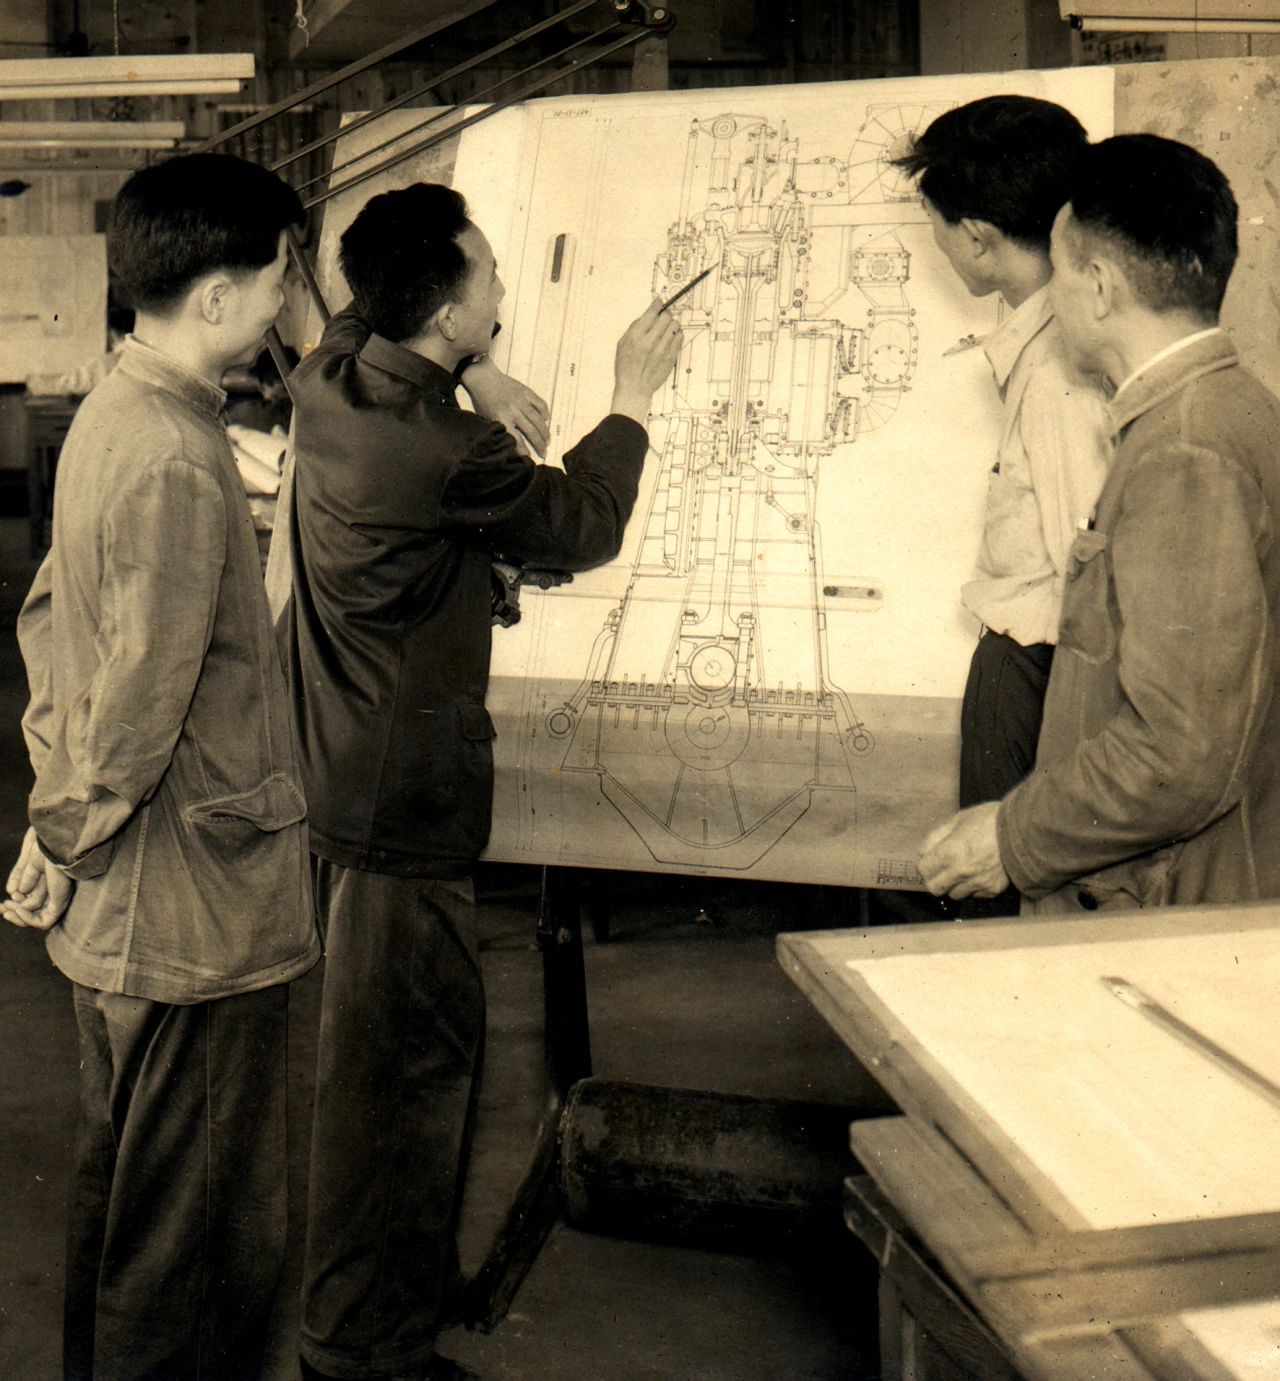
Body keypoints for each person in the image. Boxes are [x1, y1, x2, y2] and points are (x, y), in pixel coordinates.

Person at [282, 181, 681, 1381]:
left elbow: (354, 316)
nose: (503, 288)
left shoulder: (330, 378)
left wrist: (478, 374)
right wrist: (630, 396)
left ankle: (383, 1305)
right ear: (447, 313)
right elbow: (580, 522)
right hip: (403, 803)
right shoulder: (446, 451)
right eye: (489, 277)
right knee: (397, 1082)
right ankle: (362, 1351)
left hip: (338, 772)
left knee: (384, 1066)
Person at [2, 153, 319, 1380]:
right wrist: (64, 830)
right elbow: (138, 702)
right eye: (282, 278)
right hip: (191, 921)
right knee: (195, 1249)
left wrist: (55, 824)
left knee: (131, 1216)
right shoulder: (180, 457)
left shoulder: (115, 411)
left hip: (130, 902)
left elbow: (48, 625)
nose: (288, 301)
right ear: (221, 296)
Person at [918, 134, 1280, 911]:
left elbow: (1182, 753)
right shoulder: (1231, 406)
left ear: (1101, 287)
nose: (1051, 301)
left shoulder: (1183, 451)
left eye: (1058, 272)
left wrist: (1012, 836)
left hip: (1180, 897)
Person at [893, 97, 1112, 905]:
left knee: (1007, 912)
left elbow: (1090, 586)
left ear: (979, 238)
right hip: (1039, 666)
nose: (939, 245)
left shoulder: (1057, 372)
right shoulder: (1054, 339)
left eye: (938, 228)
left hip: (1038, 673)